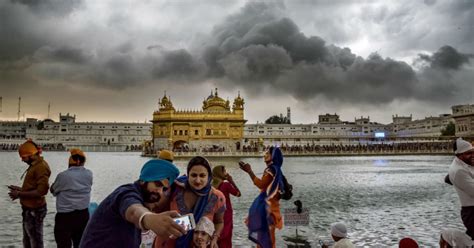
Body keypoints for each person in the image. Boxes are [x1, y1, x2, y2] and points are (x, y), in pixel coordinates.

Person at [79, 159, 186, 248]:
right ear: (144, 180)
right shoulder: (126, 192)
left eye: (164, 189)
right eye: (157, 184)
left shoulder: (144, 200)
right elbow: (134, 211)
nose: (160, 191)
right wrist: (150, 219)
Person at [154, 156, 225, 248]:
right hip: (167, 243)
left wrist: (215, 238)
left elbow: (219, 222)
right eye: (194, 175)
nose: (198, 180)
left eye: (202, 175)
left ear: (209, 176)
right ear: (188, 175)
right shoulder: (174, 190)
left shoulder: (217, 197)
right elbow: (156, 211)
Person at [8, 140, 51, 248]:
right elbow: (34, 188)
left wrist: (19, 194)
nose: (22, 160)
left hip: (35, 210)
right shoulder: (34, 165)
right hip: (29, 210)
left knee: (35, 241)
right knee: (28, 241)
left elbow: (42, 191)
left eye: (23, 157)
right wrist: (20, 190)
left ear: (31, 155)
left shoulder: (40, 167)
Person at [240, 146, 284, 248]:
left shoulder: (271, 170)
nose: (265, 155)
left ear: (273, 157)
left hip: (268, 207)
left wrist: (250, 171)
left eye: (268, 154)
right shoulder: (277, 170)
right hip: (272, 205)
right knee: (268, 236)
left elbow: (261, 184)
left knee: (265, 236)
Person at [50, 148, 93, 248]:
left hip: (65, 217)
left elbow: (53, 190)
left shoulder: (63, 176)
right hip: (83, 215)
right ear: (82, 162)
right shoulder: (89, 174)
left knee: (63, 244)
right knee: (80, 244)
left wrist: (53, 187)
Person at [448, 138, 474, 239]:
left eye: (473, 152)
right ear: (459, 155)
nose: (472, 155)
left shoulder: (465, 164)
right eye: (468, 153)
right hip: (471, 212)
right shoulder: (459, 171)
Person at [212, 165, 241, 248]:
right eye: (224, 171)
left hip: (215, 214)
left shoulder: (212, 186)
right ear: (220, 173)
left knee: (217, 234)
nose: (226, 173)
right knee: (226, 236)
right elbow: (238, 194)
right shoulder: (226, 185)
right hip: (226, 214)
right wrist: (232, 181)